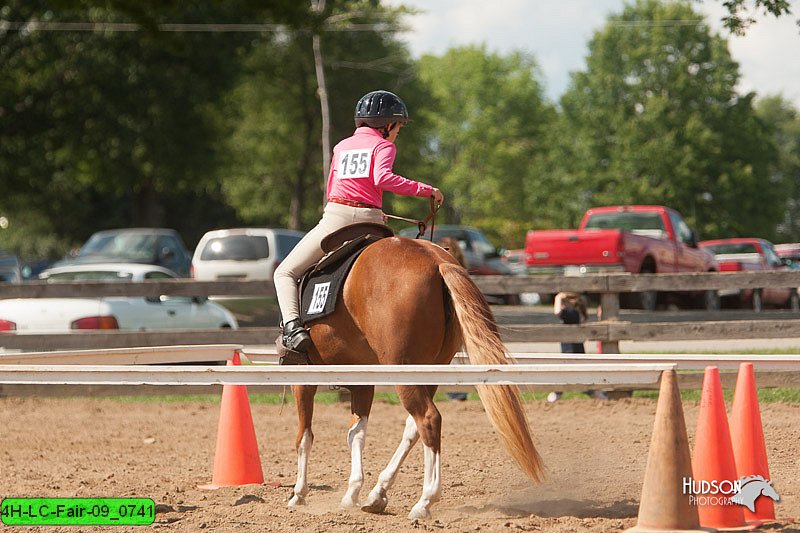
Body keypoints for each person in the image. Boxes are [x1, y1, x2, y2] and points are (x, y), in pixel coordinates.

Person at [274, 90, 444, 354]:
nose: (398, 131)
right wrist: (425, 190)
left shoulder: (341, 147)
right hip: (372, 219)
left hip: (337, 218)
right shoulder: (384, 145)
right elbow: (382, 178)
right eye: (398, 126)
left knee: (285, 272)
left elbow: (333, 186)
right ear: (387, 125)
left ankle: (293, 329)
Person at [547, 292, 608, 402]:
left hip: (571, 352)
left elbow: (557, 312)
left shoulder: (572, 314)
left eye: (563, 302)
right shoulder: (574, 314)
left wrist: (557, 298)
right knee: (576, 377)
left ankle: (597, 394)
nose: (561, 304)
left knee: (569, 376)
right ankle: (597, 394)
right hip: (572, 351)